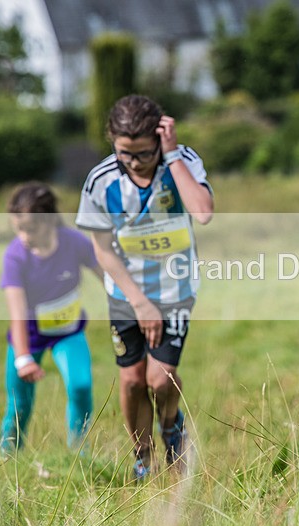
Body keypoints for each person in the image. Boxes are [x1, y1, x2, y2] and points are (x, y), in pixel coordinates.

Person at [76, 94, 214, 480]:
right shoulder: (101, 181)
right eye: (125, 153)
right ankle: (143, 455)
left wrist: (170, 157)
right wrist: (139, 302)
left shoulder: (181, 161)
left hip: (175, 290)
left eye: (143, 153)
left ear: (160, 137)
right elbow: (102, 252)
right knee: (133, 379)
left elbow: (202, 212)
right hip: (126, 293)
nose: (135, 162)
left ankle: (172, 429)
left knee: (160, 378)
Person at [0, 182, 102, 454]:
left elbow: (108, 276)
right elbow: (17, 314)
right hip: (28, 338)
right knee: (19, 404)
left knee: (81, 386)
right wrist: (23, 359)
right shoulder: (14, 256)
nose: (24, 236)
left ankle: (79, 453)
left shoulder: (74, 242)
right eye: (18, 228)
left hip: (68, 333)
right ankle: (8, 457)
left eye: (30, 229)